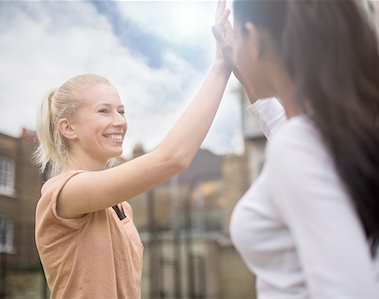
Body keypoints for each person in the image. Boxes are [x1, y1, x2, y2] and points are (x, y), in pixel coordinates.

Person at [212, 0, 379, 298]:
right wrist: (240, 68)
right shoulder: (340, 130)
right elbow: (287, 131)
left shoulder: (299, 146)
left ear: (254, 39)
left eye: (238, 36)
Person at [34, 3, 231, 298]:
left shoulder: (121, 206)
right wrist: (221, 67)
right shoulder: (63, 193)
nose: (119, 121)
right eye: (104, 111)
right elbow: (172, 158)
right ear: (68, 128)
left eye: (121, 111)